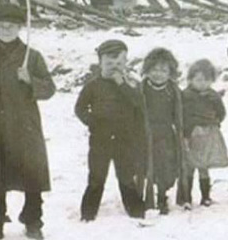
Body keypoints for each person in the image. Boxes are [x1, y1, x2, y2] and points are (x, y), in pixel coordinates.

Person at [0, 3, 56, 240]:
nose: (6, 28)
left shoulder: (32, 57)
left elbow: (49, 90)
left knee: (32, 177)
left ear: (20, 27)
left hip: (26, 127)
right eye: (0, 24)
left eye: (12, 25)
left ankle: (33, 221)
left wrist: (31, 81)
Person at [75, 39, 147, 221]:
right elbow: (80, 108)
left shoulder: (130, 85)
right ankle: (88, 213)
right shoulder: (93, 85)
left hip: (124, 139)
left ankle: (135, 210)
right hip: (100, 138)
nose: (114, 67)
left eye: (119, 63)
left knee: (126, 175)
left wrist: (122, 84)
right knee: (97, 175)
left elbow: (138, 103)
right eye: (109, 63)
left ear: (125, 64)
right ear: (99, 63)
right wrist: (91, 121)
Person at [140, 48, 188, 214]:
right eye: (154, 70)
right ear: (147, 70)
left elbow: (182, 111)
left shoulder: (173, 90)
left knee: (166, 168)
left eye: (163, 70)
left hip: (167, 134)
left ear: (170, 72)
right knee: (147, 167)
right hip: (146, 134)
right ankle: (147, 197)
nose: (158, 74)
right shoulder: (142, 89)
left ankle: (162, 195)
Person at [181, 59, 228, 208]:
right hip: (191, 133)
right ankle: (186, 198)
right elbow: (181, 114)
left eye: (206, 80)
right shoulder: (185, 96)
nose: (202, 83)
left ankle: (205, 196)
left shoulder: (213, 96)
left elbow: (221, 112)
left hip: (208, 133)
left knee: (204, 167)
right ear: (191, 80)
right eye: (199, 80)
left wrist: (214, 122)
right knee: (189, 166)